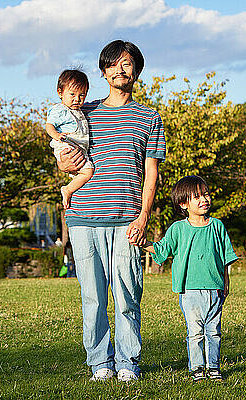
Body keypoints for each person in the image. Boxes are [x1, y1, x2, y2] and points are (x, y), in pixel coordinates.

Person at [57, 40, 166, 382]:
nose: (121, 70)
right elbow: (63, 155)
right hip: (83, 217)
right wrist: (62, 162)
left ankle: (128, 362)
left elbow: (152, 171)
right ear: (103, 71)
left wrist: (144, 216)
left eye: (128, 64)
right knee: (92, 297)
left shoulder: (150, 116)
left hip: (127, 220)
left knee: (127, 295)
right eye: (114, 64)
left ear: (136, 71)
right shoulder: (81, 113)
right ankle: (100, 362)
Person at [139, 176, 238, 382]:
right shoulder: (178, 229)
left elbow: (226, 258)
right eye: (197, 196)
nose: (204, 200)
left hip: (215, 289)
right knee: (195, 332)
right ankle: (197, 368)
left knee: (214, 332)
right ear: (184, 204)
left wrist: (225, 284)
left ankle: (213, 367)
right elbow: (161, 250)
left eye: (206, 194)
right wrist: (141, 242)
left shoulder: (217, 226)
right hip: (189, 291)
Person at [46, 69, 94, 209]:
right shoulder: (60, 110)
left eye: (82, 95)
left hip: (78, 148)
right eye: (72, 94)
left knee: (84, 171)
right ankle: (68, 189)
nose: (77, 99)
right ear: (60, 92)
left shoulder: (79, 111)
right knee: (88, 171)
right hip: (66, 145)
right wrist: (56, 135)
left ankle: (71, 188)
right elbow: (49, 126)